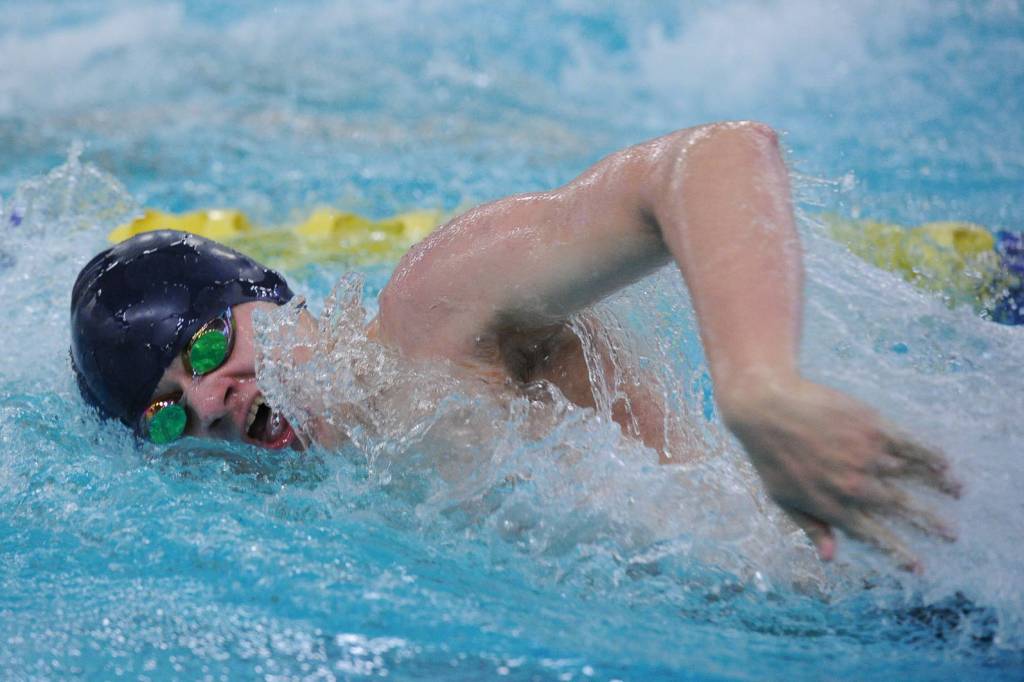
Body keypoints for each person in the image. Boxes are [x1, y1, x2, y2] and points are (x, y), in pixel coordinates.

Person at [70, 121, 961, 569]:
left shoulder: (431, 314)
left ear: (265, 296)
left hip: (866, 553)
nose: (212, 401)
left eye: (209, 344)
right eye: (166, 417)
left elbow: (718, 154)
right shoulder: (344, 501)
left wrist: (760, 385)